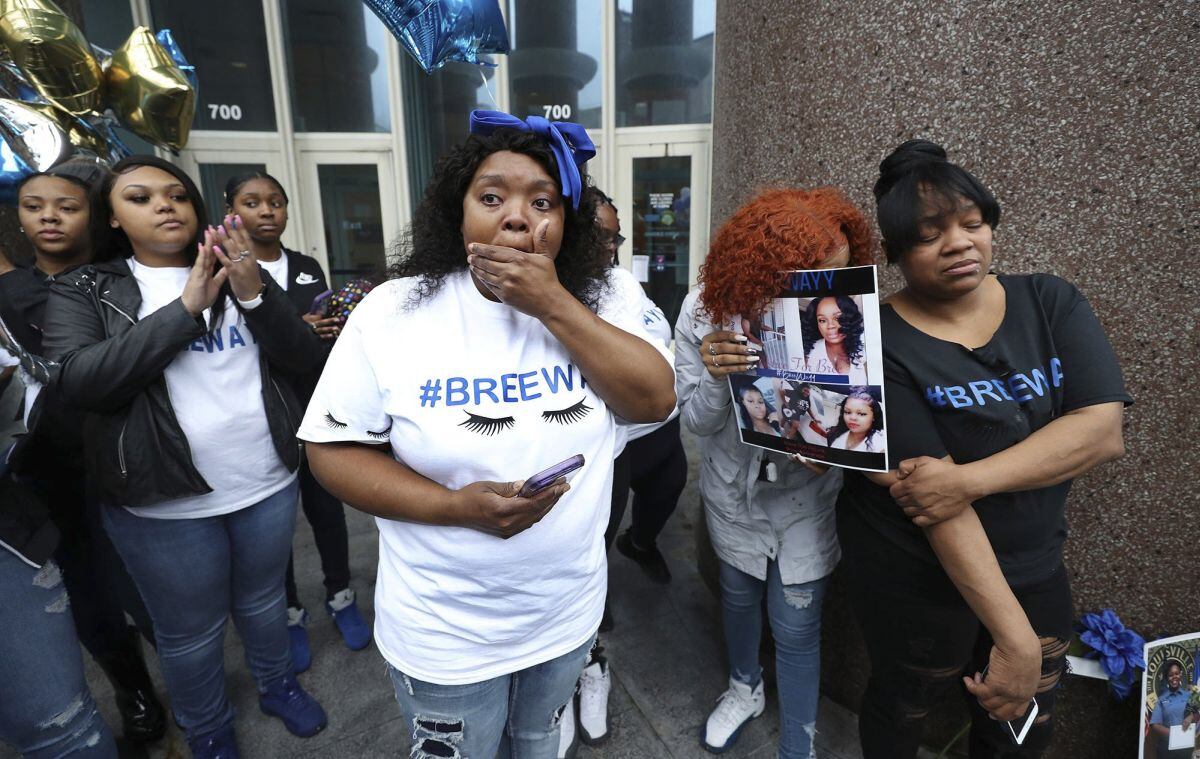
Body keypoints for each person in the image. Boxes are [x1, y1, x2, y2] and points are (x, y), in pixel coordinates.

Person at [297, 111, 675, 758]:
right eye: (492, 197)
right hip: (445, 633)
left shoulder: (605, 295)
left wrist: (553, 303)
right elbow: (330, 452)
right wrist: (453, 506)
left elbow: (655, 396)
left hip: (564, 616)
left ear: (569, 219)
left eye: (542, 201)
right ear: (458, 213)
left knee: (538, 743)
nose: (518, 217)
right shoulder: (395, 310)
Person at [837, 140, 1129, 758]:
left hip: (1033, 561)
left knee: (1020, 727)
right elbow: (929, 498)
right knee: (902, 703)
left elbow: (1100, 430)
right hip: (914, 574)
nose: (960, 242)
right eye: (930, 234)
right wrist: (1015, 640)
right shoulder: (875, 338)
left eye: (973, 223)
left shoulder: (1049, 301)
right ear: (896, 253)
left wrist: (969, 479)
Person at [42, 155, 330, 759]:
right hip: (161, 500)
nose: (164, 205)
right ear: (113, 219)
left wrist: (253, 295)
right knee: (190, 632)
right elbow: (82, 383)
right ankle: (208, 728)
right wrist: (184, 309)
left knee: (264, 600)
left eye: (175, 194)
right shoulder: (86, 287)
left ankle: (278, 686)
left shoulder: (238, 265)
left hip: (264, 479)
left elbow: (303, 357)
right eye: (140, 198)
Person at [675, 187, 874, 757]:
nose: (819, 291)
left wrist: (836, 447)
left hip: (805, 496)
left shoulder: (846, 318)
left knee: (796, 624)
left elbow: (865, 417)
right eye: (804, 276)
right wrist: (717, 373)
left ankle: (798, 745)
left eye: (835, 274)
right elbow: (695, 420)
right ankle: (744, 687)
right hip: (731, 490)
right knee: (736, 597)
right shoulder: (702, 310)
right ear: (761, 266)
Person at [5, 161, 167, 745]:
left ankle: (192, 684)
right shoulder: (9, 291)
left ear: (96, 216)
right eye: (33, 206)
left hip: (129, 450)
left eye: (67, 206)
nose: (49, 217)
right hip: (51, 471)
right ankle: (135, 690)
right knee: (91, 597)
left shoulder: (128, 279)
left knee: (153, 587)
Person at [224, 171, 371, 669]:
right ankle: (289, 613)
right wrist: (293, 328)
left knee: (327, 511)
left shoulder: (307, 266)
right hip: (262, 415)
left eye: (276, 202)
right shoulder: (223, 270)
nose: (267, 211)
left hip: (314, 408)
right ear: (231, 210)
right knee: (276, 525)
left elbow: (319, 336)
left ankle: (341, 596)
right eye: (253, 202)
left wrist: (329, 327)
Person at [800, 295, 868, 382]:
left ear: (849, 318)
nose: (830, 326)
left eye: (837, 318)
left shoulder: (864, 343)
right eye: (822, 320)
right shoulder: (809, 352)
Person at [1151, 661, 1193, 759]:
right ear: (1167, 678)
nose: (1174, 677)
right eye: (1170, 675)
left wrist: (1190, 716)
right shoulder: (1161, 699)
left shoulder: (1188, 696)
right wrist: (1174, 734)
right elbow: (1154, 725)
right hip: (1166, 750)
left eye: (1176, 673)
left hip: (1185, 748)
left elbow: (1196, 713)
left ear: (1180, 675)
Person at [827, 388, 885, 453]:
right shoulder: (835, 434)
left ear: (874, 416)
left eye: (861, 414)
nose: (852, 418)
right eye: (847, 412)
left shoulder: (881, 444)